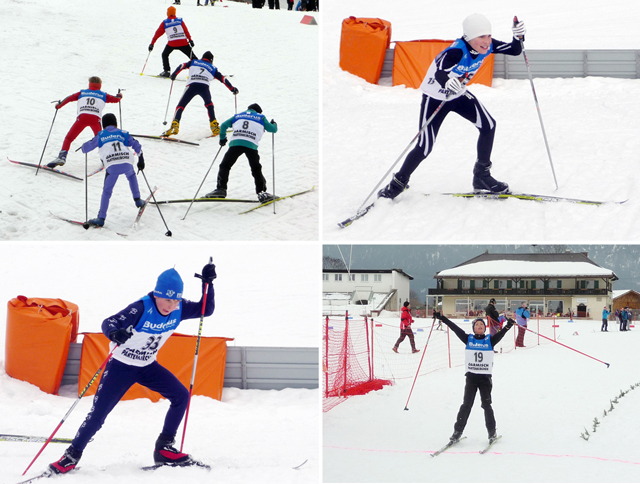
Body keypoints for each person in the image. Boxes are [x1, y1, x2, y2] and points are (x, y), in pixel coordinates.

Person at [48, 262, 217, 474]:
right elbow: (109, 322)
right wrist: (114, 334)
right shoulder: (141, 308)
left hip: (147, 366)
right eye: (166, 299)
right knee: (99, 414)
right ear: (157, 294)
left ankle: (164, 448)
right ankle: (70, 457)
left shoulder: (179, 308)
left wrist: (207, 284)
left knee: (181, 395)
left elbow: (206, 310)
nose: (170, 305)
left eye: (175, 300)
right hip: (121, 367)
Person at [378, 14, 526, 200]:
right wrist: (447, 81)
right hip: (435, 98)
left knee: (488, 125)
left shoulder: (488, 46)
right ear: (469, 37)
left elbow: (514, 50)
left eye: (488, 35)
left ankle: (482, 176)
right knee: (425, 146)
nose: (487, 41)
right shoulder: (455, 51)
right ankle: (397, 184)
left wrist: (518, 36)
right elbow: (440, 71)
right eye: (481, 36)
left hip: (457, 95)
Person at [433, 311, 515, 443]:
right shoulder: (468, 339)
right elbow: (454, 328)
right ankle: (457, 432)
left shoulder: (490, 340)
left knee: (486, 405)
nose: (480, 326)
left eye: (482, 324)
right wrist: (441, 318)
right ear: (473, 328)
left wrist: (508, 326)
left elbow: (501, 334)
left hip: (485, 379)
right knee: (466, 405)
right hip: (471, 378)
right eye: (477, 324)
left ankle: (492, 432)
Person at [80, 113, 146, 228]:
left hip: (112, 164)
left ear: (103, 126)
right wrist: (141, 159)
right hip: (126, 161)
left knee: (107, 191)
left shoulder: (100, 135)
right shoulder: (123, 133)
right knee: (131, 176)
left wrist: (83, 146)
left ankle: (101, 218)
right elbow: (136, 145)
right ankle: (138, 200)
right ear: (116, 124)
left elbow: (86, 148)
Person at [203, 103, 278, 203]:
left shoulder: (238, 116)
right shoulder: (261, 117)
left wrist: (222, 139)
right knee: (256, 168)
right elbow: (272, 130)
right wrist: (274, 124)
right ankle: (262, 192)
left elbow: (224, 125)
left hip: (236, 142)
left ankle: (221, 189)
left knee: (225, 165)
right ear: (258, 111)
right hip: (251, 144)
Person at [48, 77, 122, 168]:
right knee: (100, 139)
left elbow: (69, 98)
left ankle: (62, 157)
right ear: (100, 85)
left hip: (82, 118)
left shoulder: (82, 93)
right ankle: (106, 159)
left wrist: (59, 106)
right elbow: (116, 99)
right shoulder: (103, 95)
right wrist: (119, 95)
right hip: (95, 119)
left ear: (89, 84)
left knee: (69, 138)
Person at [162, 51, 238, 138]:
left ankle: (174, 126)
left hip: (192, 85)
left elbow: (182, 65)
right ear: (211, 60)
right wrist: (232, 89)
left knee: (181, 106)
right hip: (204, 87)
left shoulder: (194, 61)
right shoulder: (212, 67)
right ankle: (214, 127)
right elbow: (223, 79)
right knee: (209, 105)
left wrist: (174, 74)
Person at [149, 6, 196, 78]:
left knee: (165, 54)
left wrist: (152, 43)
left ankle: (166, 71)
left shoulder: (165, 23)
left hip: (172, 43)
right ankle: (201, 69)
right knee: (192, 57)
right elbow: (186, 31)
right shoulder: (180, 21)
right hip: (183, 42)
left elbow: (157, 34)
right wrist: (190, 40)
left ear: (168, 13)